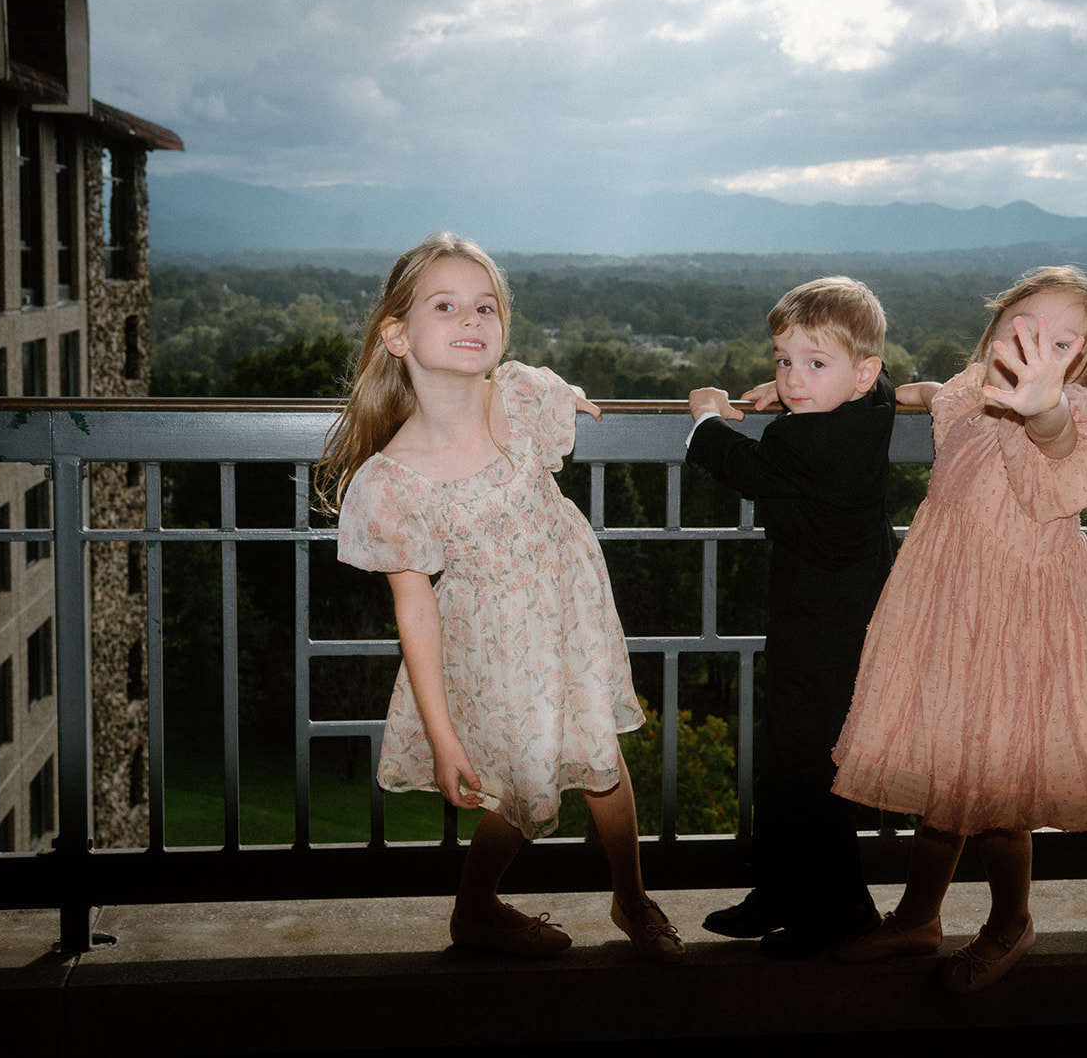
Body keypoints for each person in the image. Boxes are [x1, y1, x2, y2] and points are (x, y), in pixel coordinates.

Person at [318, 232, 682, 964]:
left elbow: (554, 390)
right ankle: (476, 907)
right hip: (493, 640)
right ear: (397, 333)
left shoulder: (517, 400)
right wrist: (444, 736)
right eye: (445, 305)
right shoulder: (395, 479)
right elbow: (414, 608)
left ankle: (631, 896)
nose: (471, 320)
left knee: (601, 757)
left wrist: (568, 393)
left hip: (569, 615)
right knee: (520, 779)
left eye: (485, 306)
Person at [829, 267, 1087, 991]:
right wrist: (846, 389)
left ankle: (1010, 918)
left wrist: (1044, 405)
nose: (1039, 345)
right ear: (996, 325)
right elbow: (926, 393)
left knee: (998, 791)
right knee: (952, 771)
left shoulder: (1075, 415)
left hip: (1019, 625)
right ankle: (919, 917)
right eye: (1026, 327)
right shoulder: (968, 393)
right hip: (949, 612)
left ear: (1084, 361)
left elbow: (1062, 442)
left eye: (1063, 341)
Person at [685, 276, 897, 957]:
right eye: (784, 361)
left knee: (808, 761)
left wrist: (706, 412)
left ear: (860, 375)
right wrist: (799, 388)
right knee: (787, 752)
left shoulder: (805, 444)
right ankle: (778, 889)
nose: (793, 378)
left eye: (814, 364)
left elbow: (739, 463)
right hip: (846, 606)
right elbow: (874, 382)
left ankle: (843, 909)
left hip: (822, 622)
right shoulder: (874, 405)